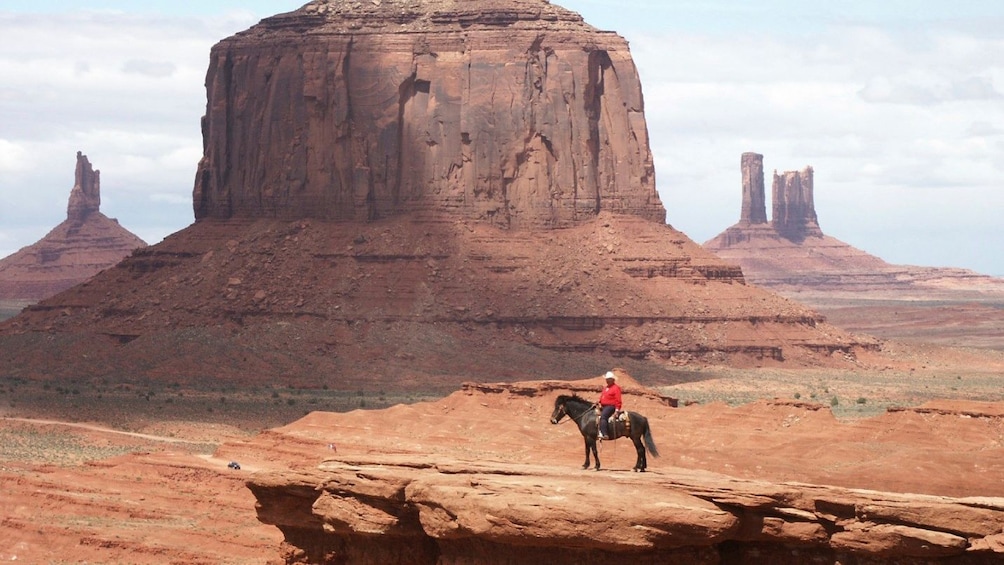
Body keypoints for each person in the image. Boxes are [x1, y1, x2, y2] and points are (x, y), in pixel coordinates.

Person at [597, 371, 622, 440]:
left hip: (610, 406)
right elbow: (602, 397)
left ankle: (604, 433)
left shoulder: (616, 388)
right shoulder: (606, 388)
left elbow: (618, 400)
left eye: (609, 379)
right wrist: (599, 402)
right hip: (603, 406)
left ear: (612, 380)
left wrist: (617, 409)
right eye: (607, 379)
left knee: (603, 417)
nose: (607, 381)